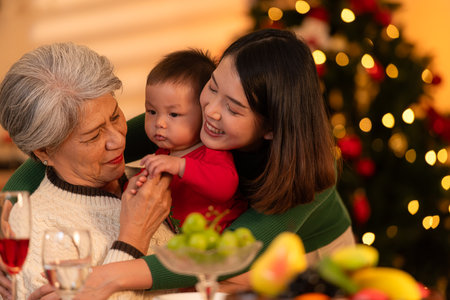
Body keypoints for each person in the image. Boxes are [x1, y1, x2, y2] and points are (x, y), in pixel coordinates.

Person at [3, 28, 354, 299]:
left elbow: (227, 258)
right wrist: (7, 223)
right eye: (213, 86)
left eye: (234, 108)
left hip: (304, 255)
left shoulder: (308, 169)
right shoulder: (191, 118)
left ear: (272, 128)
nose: (211, 111)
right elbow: (52, 150)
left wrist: (100, 279)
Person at [0, 42, 174, 299]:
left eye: (115, 117)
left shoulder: (155, 174)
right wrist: (132, 239)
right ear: (44, 151)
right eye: (93, 136)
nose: (118, 140)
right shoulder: (36, 229)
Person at [140, 49, 246, 232]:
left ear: (204, 112)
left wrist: (180, 166)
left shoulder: (212, 151)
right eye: (151, 111)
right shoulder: (163, 154)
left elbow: (225, 187)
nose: (159, 123)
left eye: (174, 114)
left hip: (214, 244)